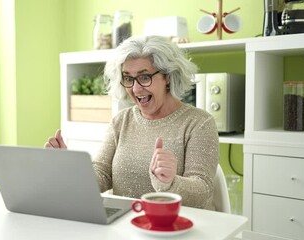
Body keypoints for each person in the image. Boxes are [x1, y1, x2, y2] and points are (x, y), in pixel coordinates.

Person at [45, 35, 219, 210]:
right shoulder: (122, 120)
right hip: (124, 226)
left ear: (167, 76)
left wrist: (170, 182)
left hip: (175, 229)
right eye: (128, 78)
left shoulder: (199, 123)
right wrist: (68, 167)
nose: (135, 89)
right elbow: (102, 175)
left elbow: (202, 192)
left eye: (144, 77)